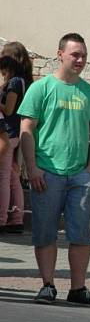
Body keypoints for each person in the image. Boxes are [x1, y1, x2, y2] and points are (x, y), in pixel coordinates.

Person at [17, 33, 90, 307]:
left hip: (79, 174)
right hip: (46, 172)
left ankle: (78, 288)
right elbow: (26, 130)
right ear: (60, 54)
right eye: (75, 55)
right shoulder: (41, 88)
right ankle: (48, 285)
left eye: (83, 55)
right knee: (45, 232)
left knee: (80, 234)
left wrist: (89, 170)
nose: (80, 60)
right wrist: (31, 167)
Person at [0, 42, 33, 232]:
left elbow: (9, 109)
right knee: (13, 176)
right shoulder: (26, 81)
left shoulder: (14, 83)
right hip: (19, 133)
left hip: (9, 133)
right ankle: (17, 219)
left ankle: (2, 219)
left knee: (3, 176)